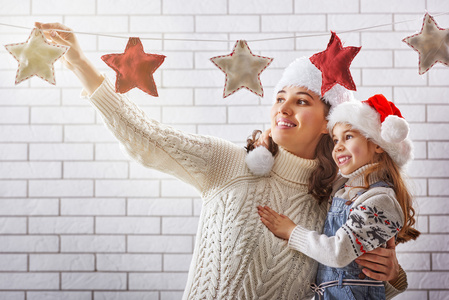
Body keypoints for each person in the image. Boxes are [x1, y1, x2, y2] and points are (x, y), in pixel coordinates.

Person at [34, 22, 407, 299]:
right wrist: (80, 63)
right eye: (279, 97)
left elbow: (352, 281)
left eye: (302, 100)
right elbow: (145, 136)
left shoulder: (336, 200)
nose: (284, 107)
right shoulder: (231, 163)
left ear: (329, 124)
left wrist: (392, 274)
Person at [257, 94, 420, 299]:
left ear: (378, 144)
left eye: (348, 137)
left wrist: (291, 232)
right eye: (335, 140)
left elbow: (338, 253)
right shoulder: (342, 189)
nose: (338, 146)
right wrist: (271, 144)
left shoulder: (380, 199)